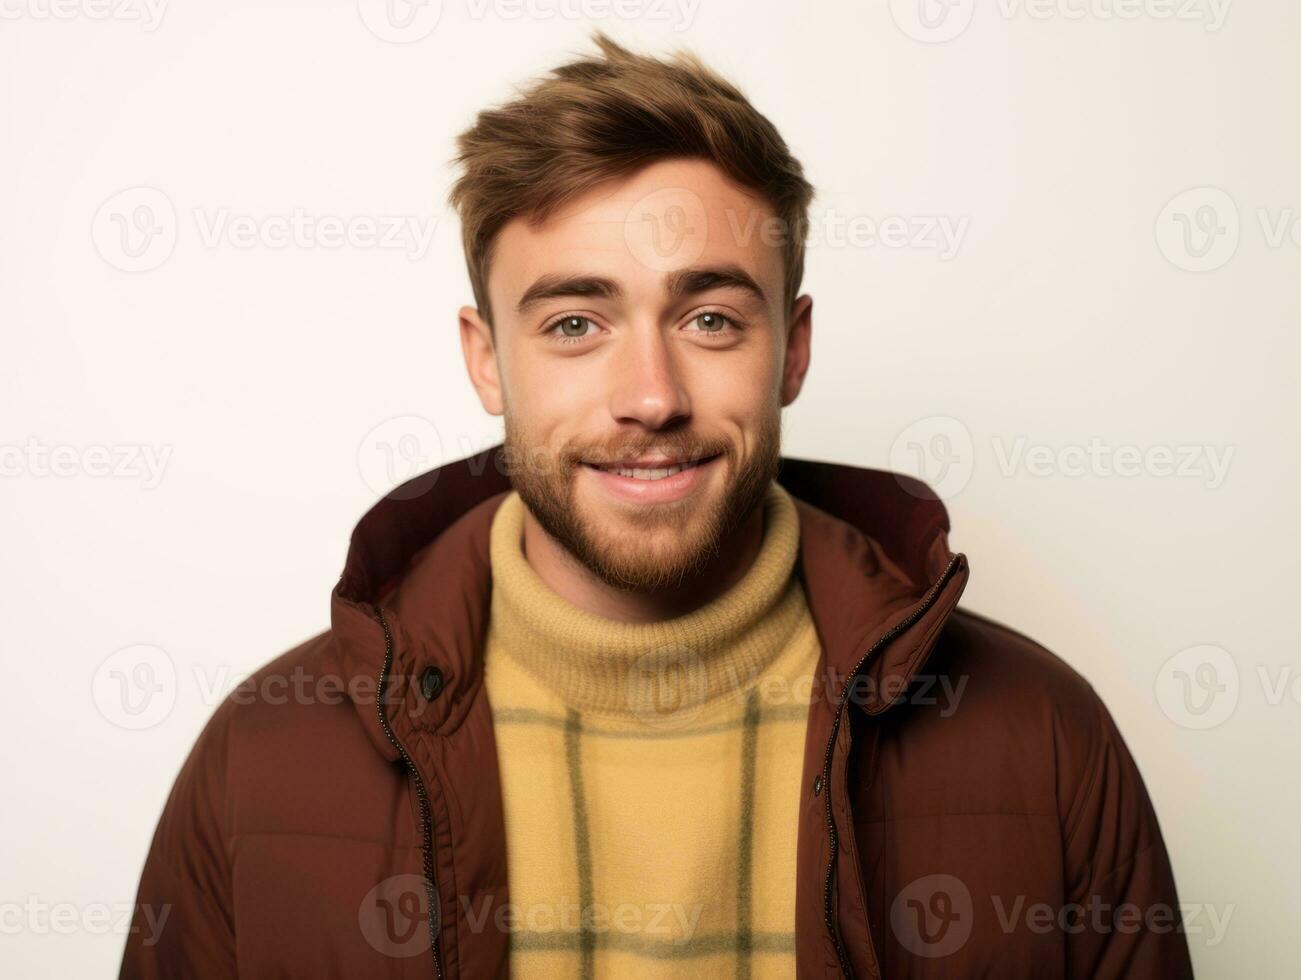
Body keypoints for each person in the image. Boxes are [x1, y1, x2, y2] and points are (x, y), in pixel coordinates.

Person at [120, 30, 1194, 979]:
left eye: (712, 320)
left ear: (794, 344)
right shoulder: (259, 761)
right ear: (485, 359)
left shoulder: (1043, 740)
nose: (651, 398)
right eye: (575, 324)